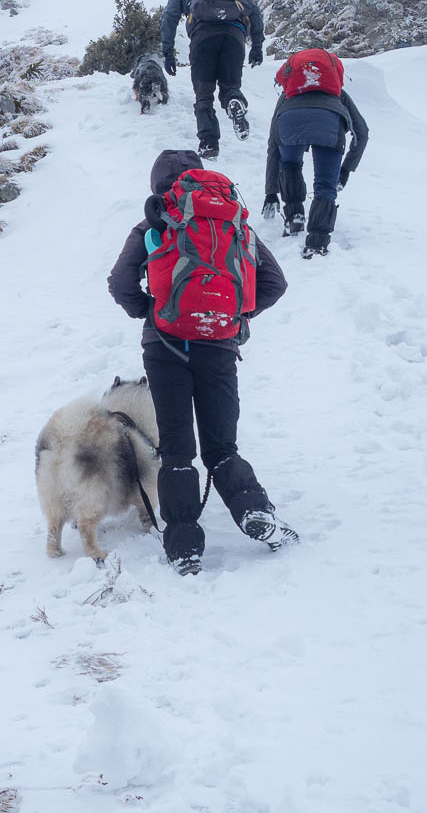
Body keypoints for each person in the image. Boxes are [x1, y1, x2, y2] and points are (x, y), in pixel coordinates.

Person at [108, 148, 298, 575]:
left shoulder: (154, 222)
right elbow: (275, 282)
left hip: (164, 347)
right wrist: (236, 316)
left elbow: (120, 283)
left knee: (177, 449)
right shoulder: (232, 223)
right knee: (222, 447)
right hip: (219, 346)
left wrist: (149, 311)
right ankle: (254, 511)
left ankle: (184, 547)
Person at [261, 47, 368, 258]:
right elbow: (361, 133)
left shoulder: (287, 96)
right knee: (326, 185)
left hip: (289, 120)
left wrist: (271, 192)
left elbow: (274, 144)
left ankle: (294, 217)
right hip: (330, 124)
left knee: (289, 165)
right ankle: (317, 242)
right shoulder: (338, 95)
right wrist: (345, 170)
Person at [160, 0, 265, 159]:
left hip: (203, 39)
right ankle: (233, 100)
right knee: (230, 86)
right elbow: (254, 11)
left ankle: (209, 144)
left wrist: (168, 51)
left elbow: (169, 17)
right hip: (234, 37)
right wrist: (257, 45)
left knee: (204, 95)